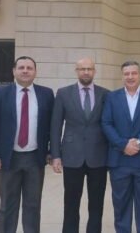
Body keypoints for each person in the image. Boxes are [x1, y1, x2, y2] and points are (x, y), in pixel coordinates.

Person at [0, 56, 55, 233]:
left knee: (33, 205)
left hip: (35, 158)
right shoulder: (1, 94)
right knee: (8, 204)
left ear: (35, 72)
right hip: (9, 158)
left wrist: (51, 151)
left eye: (29, 68)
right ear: (14, 71)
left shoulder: (46, 94)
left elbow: (51, 126)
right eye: (21, 67)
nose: (25, 71)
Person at [50, 57, 109, 233]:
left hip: (98, 156)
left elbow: (109, 124)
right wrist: (55, 155)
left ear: (94, 71)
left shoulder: (105, 94)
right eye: (82, 69)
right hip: (71, 156)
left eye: (89, 69)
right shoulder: (63, 93)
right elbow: (55, 125)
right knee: (71, 203)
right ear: (76, 71)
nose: (86, 72)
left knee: (96, 204)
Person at [101, 61, 140, 233]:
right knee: (121, 204)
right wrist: (123, 144)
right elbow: (106, 123)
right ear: (122, 76)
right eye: (126, 74)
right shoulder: (112, 97)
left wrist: (139, 141)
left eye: (134, 73)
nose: (130, 77)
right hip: (119, 160)